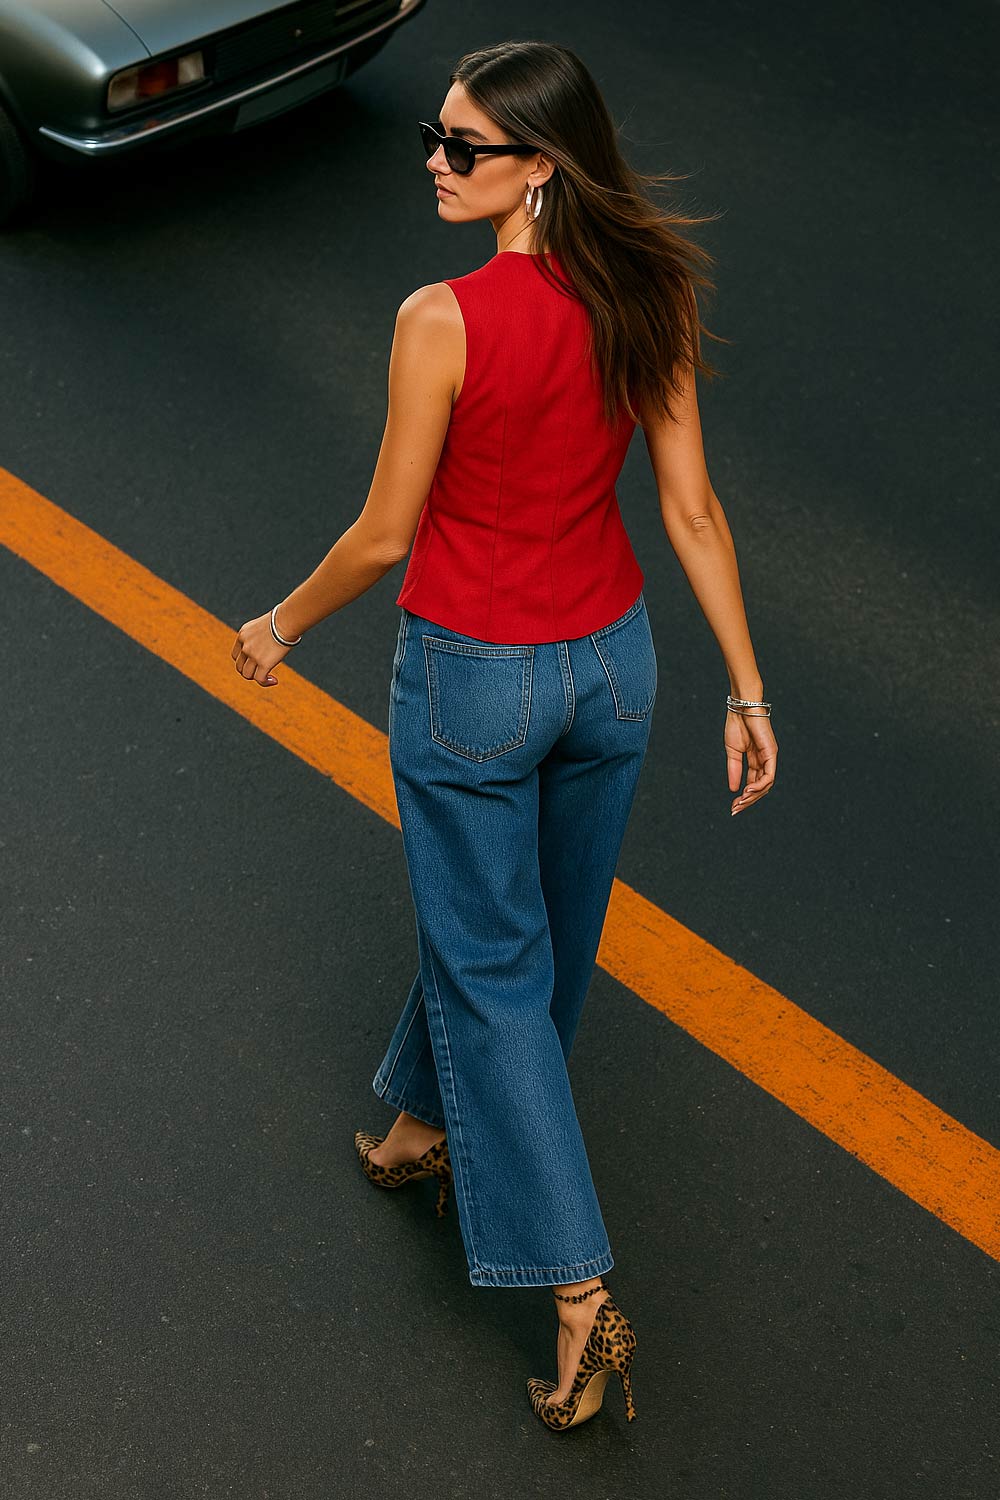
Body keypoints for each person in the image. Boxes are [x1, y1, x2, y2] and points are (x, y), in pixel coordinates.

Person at [230, 39, 778, 1430]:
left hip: (477, 682)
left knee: (492, 965)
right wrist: (746, 689)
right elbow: (693, 509)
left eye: (465, 146)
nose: (435, 159)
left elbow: (385, 534)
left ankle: (580, 1295)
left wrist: (279, 628)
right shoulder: (651, 289)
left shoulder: (442, 318)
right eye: (438, 134)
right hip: (614, 673)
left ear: (542, 167)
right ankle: (423, 1130)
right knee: (533, 932)